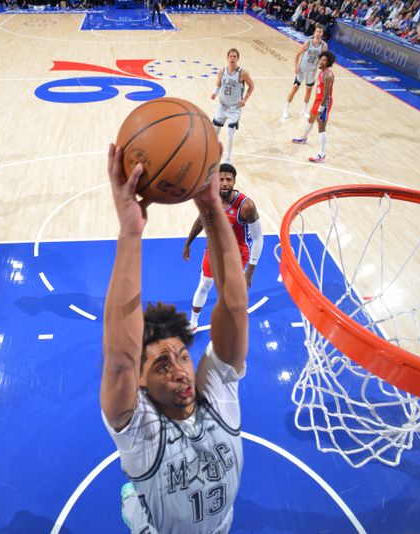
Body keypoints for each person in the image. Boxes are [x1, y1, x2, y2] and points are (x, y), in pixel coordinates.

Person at [101, 142, 248, 534]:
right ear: (141, 380)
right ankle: (133, 502)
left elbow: (233, 306)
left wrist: (212, 207)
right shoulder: (141, 429)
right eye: (161, 364)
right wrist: (131, 231)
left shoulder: (215, 392)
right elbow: (120, 357)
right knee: (137, 511)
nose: (182, 371)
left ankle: (135, 500)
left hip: (222, 527)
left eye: (183, 357)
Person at [182, 162, 262, 333]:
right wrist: (188, 243)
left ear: (234, 181)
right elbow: (201, 220)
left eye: (229, 179)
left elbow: (258, 238)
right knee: (204, 285)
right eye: (221, 179)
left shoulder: (246, 206)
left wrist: (250, 271)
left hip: (237, 253)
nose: (225, 183)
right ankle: (193, 322)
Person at [211, 48, 254, 165]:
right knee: (214, 132)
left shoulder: (243, 73)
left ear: (238, 59)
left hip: (234, 108)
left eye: (234, 56)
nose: (232, 58)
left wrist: (245, 99)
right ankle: (213, 153)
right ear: (227, 58)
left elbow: (251, 87)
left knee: (230, 133)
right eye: (230, 56)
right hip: (222, 106)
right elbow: (218, 85)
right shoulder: (222, 71)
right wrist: (215, 92)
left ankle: (228, 158)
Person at [292, 50, 335, 163]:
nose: (321, 61)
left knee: (321, 126)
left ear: (328, 62)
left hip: (324, 102)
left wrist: (321, 109)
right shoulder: (321, 72)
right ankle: (304, 138)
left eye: (324, 60)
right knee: (311, 119)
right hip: (318, 100)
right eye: (321, 59)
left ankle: (322, 154)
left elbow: (326, 94)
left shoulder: (328, 75)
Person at [282, 25, 328, 119]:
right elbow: (297, 55)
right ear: (314, 32)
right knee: (295, 89)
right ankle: (286, 109)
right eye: (317, 31)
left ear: (322, 33)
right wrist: (296, 67)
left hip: (312, 71)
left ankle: (304, 111)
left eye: (320, 32)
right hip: (302, 69)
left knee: (308, 91)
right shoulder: (308, 42)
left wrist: (323, 71)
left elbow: (324, 60)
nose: (318, 33)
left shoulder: (324, 46)